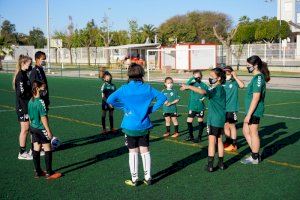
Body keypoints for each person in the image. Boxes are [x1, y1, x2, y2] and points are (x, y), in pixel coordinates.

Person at [107, 63, 166, 186]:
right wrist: (151, 109)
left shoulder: (124, 88)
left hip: (130, 125)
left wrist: (123, 107)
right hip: (144, 124)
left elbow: (110, 100)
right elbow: (162, 97)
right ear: (142, 74)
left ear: (129, 74)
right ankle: (148, 177)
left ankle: (134, 179)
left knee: (132, 152)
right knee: (145, 150)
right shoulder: (147, 88)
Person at [181, 67, 226, 172]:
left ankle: (210, 165)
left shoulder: (216, 89)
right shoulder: (221, 88)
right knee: (219, 140)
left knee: (211, 142)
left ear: (218, 78)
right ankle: (221, 164)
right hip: (221, 118)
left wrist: (189, 87)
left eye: (212, 76)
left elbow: (202, 91)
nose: (210, 78)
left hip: (214, 119)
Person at [28, 80, 62, 179]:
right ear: (37, 88)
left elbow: (30, 117)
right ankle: (49, 172)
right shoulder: (40, 101)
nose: (44, 89)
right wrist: (48, 130)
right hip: (41, 129)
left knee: (36, 148)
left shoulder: (30, 100)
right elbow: (43, 117)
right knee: (48, 148)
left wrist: (32, 128)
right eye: (42, 87)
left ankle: (38, 171)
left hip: (33, 128)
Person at [241, 55, 270, 165]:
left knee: (253, 132)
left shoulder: (258, 78)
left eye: (248, 66)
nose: (247, 67)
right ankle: (255, 153)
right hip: (251, 110)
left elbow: (256, 97)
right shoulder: (256, 77)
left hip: (254, 110)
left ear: (255, 65)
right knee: (245, 131)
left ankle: (255, 157)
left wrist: (249, 114)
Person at [13, 55, 33, 160]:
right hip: (22, 107)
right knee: (25, 129)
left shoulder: (25, 74)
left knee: (30, 128)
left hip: (27, 105)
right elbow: (21, 93)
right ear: (23, 63)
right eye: (29, 64)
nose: (30, 66)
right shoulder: (20, 76)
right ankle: (22, 152)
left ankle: (33, 150)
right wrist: (32, 94)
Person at [223, 66, 245, 152]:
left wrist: (235, 77)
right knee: (225, 125)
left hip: (232, 108)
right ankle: (228, 141)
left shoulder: (234, 82)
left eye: (229, 71)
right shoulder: (222, 82)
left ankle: (234, 144)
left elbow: (242, 85)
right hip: (223, 108)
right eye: (225, 71)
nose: (227, 73)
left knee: (232, 126)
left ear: (232, 72)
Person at [185, 70, 209, 143]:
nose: (197, 77)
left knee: (200, 121)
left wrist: (203, 98)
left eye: (198, 76)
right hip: (192, 106)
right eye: (195, 76)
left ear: (201, 76)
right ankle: (191, 136)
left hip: (200, 106)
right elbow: (186, 85)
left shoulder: (204, 85)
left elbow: (208, 93)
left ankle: (199, 137)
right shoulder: (192, 84)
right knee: (189, 121)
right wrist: (192, 77)